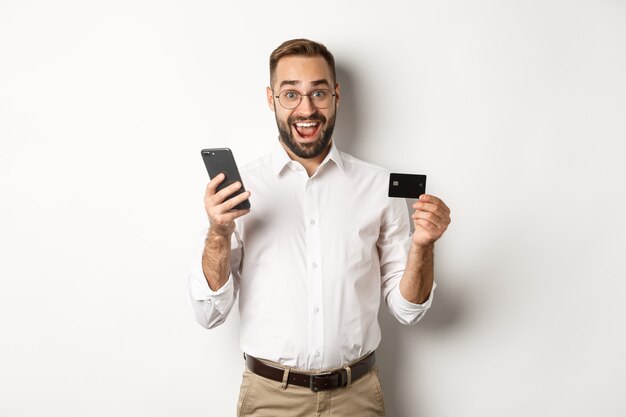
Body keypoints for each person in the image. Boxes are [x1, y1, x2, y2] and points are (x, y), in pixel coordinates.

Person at [189, 38, 451, 417]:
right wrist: (218, 233)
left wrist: (424, 246)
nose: (306, 109)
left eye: (319, 93)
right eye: (290, 94)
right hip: (269, 400)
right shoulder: (239, 189)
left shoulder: (379, 187)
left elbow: (407, 310)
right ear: (271, 99)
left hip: (356, 398)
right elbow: (209, 314)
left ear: (337, 96)